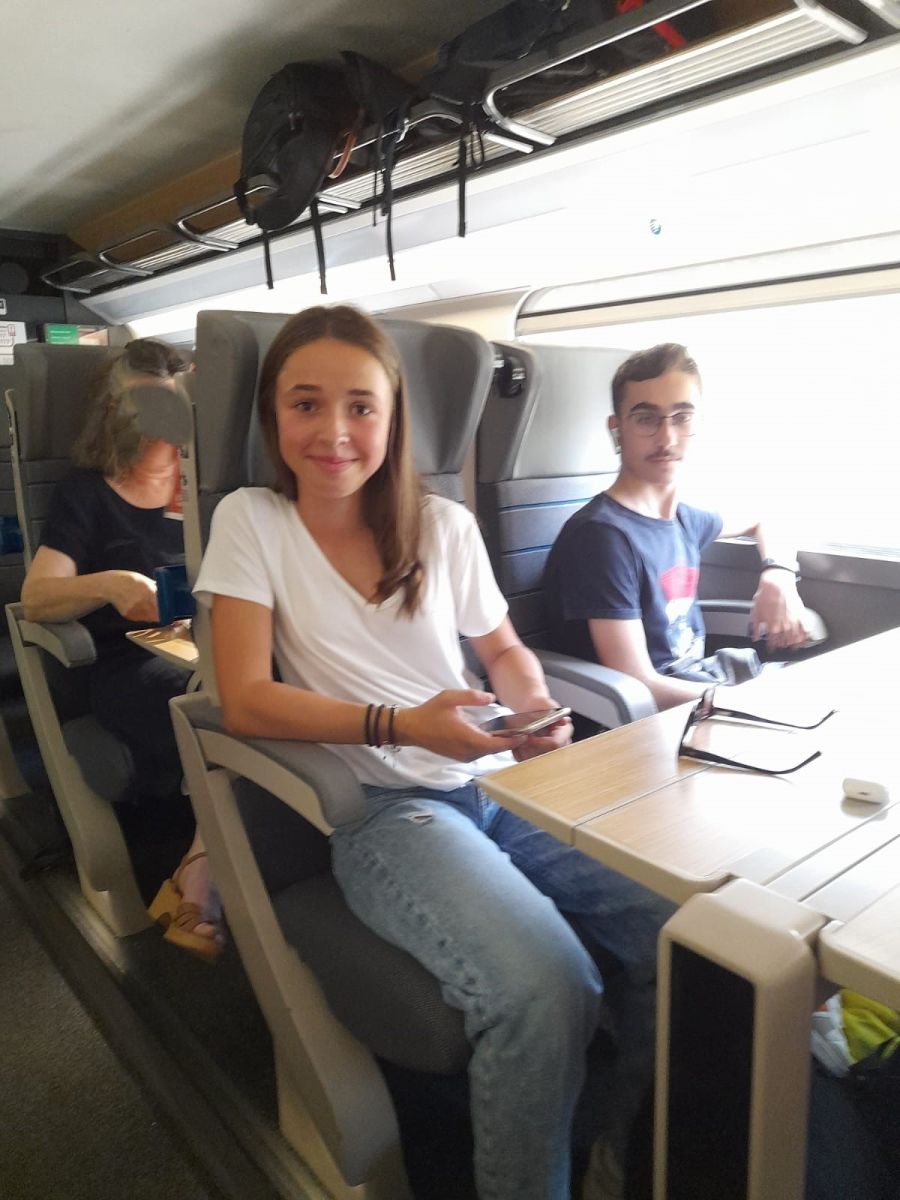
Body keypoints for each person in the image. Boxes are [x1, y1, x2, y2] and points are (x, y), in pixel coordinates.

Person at [193, 305, 675, 1200]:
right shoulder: (252, 521)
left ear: (394, 419)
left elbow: (504, 649)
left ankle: (620, 1150)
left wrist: (532, 708)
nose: (334, 432)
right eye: (305, 404)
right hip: (384, 810)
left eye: (361, 407)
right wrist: (404, 725)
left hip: (494, 780)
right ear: (271, 416)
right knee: (546, 988)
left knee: (679, 929)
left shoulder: (443, 525)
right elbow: (246, 697)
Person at [20, 338, 222, 960]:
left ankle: (203, 862)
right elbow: (36, 598)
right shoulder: (88, 492)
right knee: (213, 704)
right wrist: (109, 584)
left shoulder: (207, 485)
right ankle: (205, 872)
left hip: (213, 647)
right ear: (113, 412)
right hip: (130, 664)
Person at [544, 343, 810, 712]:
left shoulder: (682, 518)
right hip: (656, 719)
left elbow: (767, 517)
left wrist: (777, 576)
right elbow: (638, 685)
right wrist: (744, 703)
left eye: (681, 417)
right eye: (645, 418)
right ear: (617, 430)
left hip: (702, 685)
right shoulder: (602, 537)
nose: (667, 438)